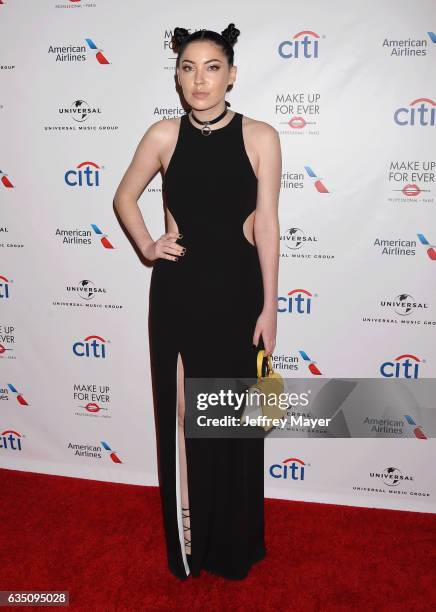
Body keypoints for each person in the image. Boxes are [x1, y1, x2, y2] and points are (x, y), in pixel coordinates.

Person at [113, 23, 281, 580]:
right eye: (188, 67)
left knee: (229, 414)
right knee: (187, 412)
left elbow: (268, 225)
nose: (199, 79)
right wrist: (147, 245)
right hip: (180, 290)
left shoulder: (261, 136)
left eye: (212, 67)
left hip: (237, 292)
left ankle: (231, 535)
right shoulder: (163, 135)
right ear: (177, 76)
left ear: (231, 75)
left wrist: (270, 307)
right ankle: (191, 525)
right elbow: (124, 197)